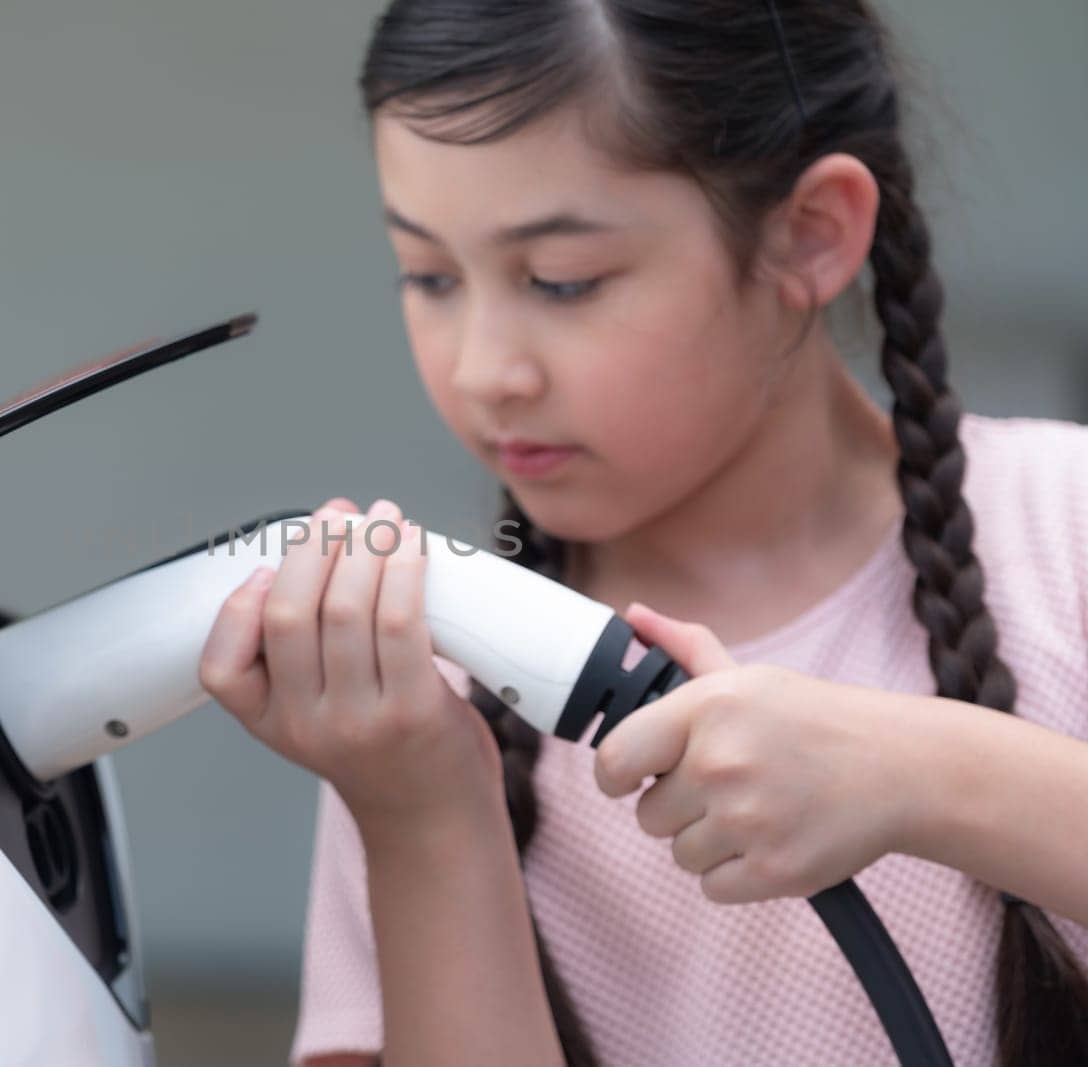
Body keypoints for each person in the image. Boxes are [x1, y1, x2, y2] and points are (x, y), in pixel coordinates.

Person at [196, 1, 1088, 1065]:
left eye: (563, 281)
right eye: (429, 275)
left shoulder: (1063, 532)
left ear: (810, 234)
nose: (485, 369)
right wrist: (423, 820)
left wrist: (926, 777)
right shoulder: (415, 700)